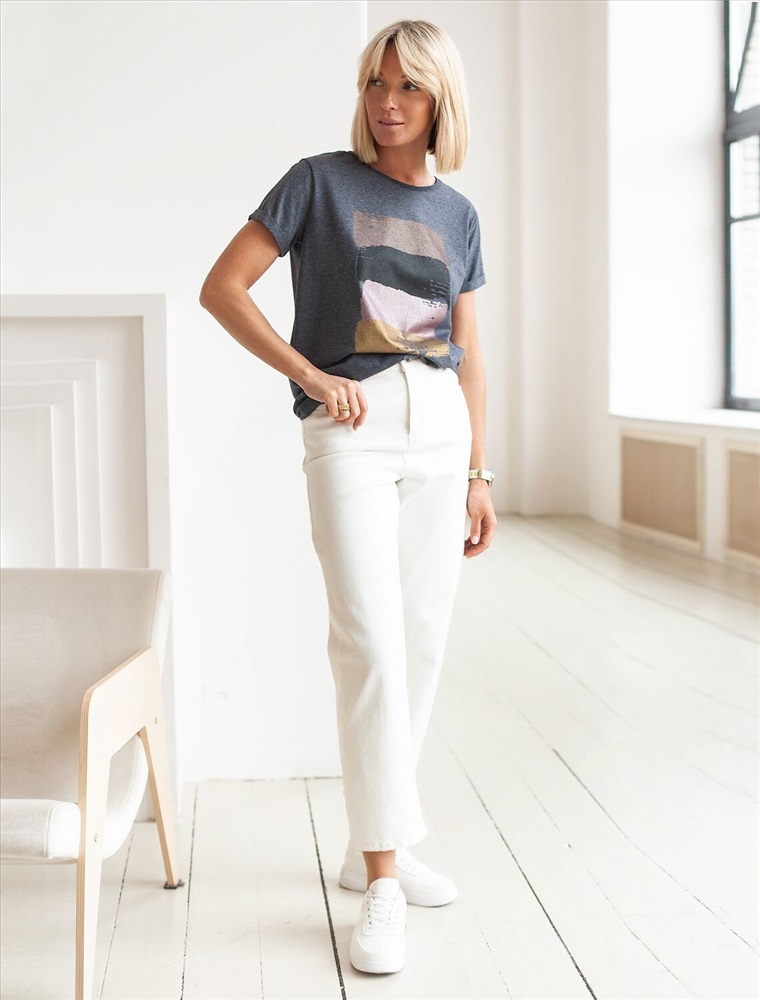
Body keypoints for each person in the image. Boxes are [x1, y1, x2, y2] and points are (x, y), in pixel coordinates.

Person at [199, 18, 496, 976]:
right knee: (367, 641)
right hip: (353, 427)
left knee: (421, 641)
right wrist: (310, 374)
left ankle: (377, 840)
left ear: (440, 100)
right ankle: (382, 881)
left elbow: (468, 351)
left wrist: (480, 472)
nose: (387, 102)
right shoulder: (318, 182)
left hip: (439, 426)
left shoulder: (459, 214)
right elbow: (223, 287)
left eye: (408, 87)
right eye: (376, 82)